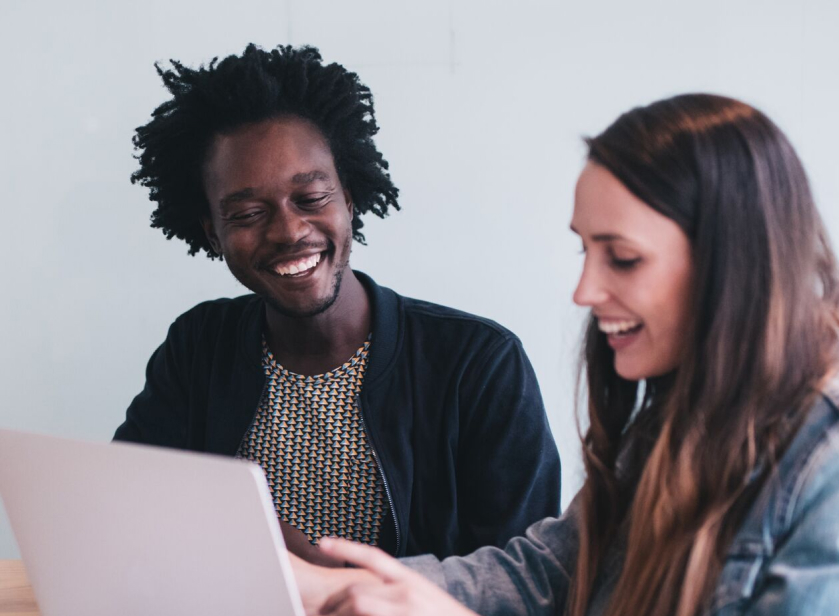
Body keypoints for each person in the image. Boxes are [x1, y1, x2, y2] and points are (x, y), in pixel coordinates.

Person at [294, 94, 839, 616]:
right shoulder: (686, 401)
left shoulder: (837, 448)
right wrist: (347, 589)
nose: (585, 291)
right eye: (583, 250)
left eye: (621, 257)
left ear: (732, 260)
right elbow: (550, 568)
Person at [115, 44, 560, 564]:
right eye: (248, 213)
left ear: (349, 198)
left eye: (311, 199)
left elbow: (524, 579)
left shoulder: (479, 362)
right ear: (213, 234)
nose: (289, 231)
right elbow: (128, 507)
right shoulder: (199, 346)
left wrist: (333, 580)